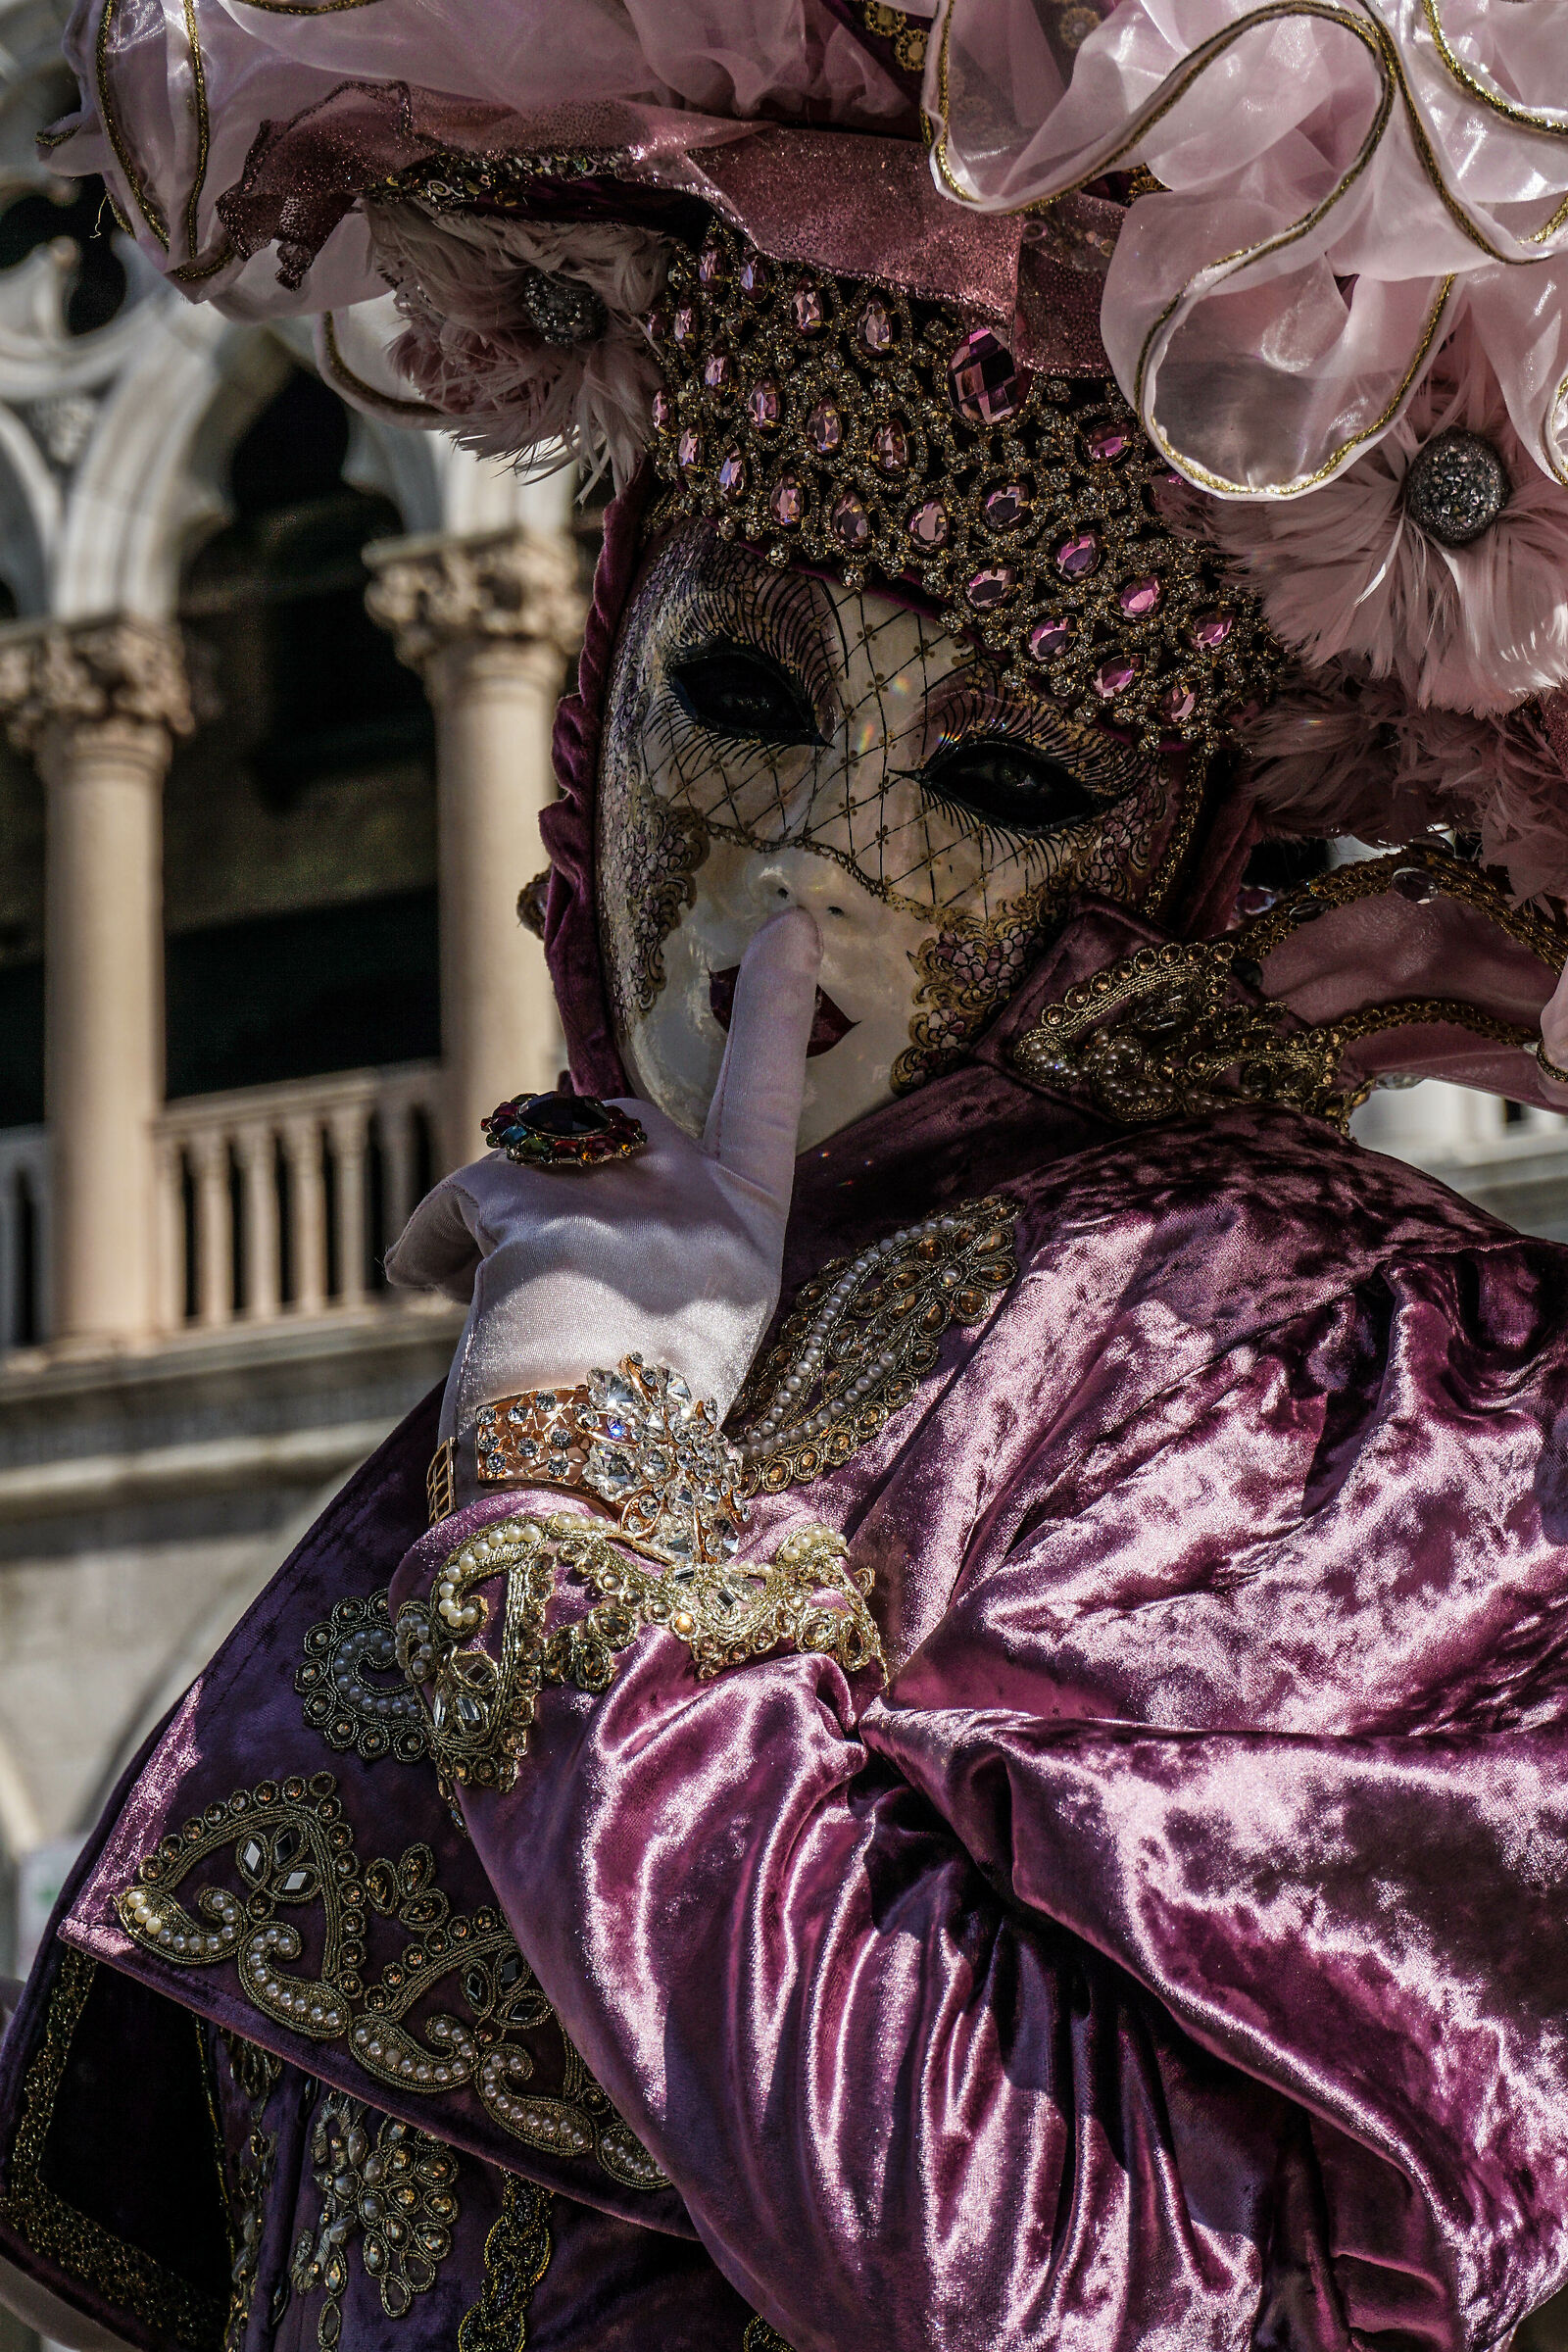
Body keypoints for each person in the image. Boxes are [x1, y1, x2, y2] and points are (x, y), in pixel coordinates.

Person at [7, 4, 1568, 2346]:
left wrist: (575, 1489)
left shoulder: (1333, 1366)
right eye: (734, 691)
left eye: (1007, 779)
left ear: (1179, 847)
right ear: (606, 650)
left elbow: (1089, 2283)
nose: (802, 882)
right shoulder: (673, 1275)